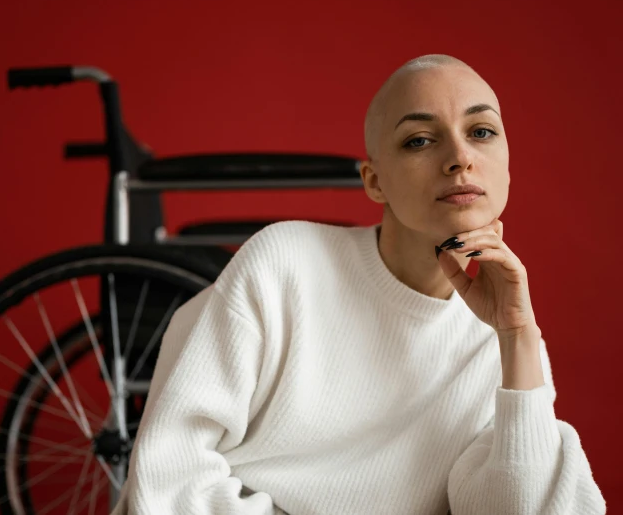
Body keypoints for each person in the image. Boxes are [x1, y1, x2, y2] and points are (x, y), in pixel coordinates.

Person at [110, 54, 606, 514]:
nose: (459, 158)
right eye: (419, 140)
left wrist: (517, 335)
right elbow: (169, 474)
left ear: (507, 167)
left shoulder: (506, 346)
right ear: (374, 181)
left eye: (481, 131)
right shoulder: (286, 267)